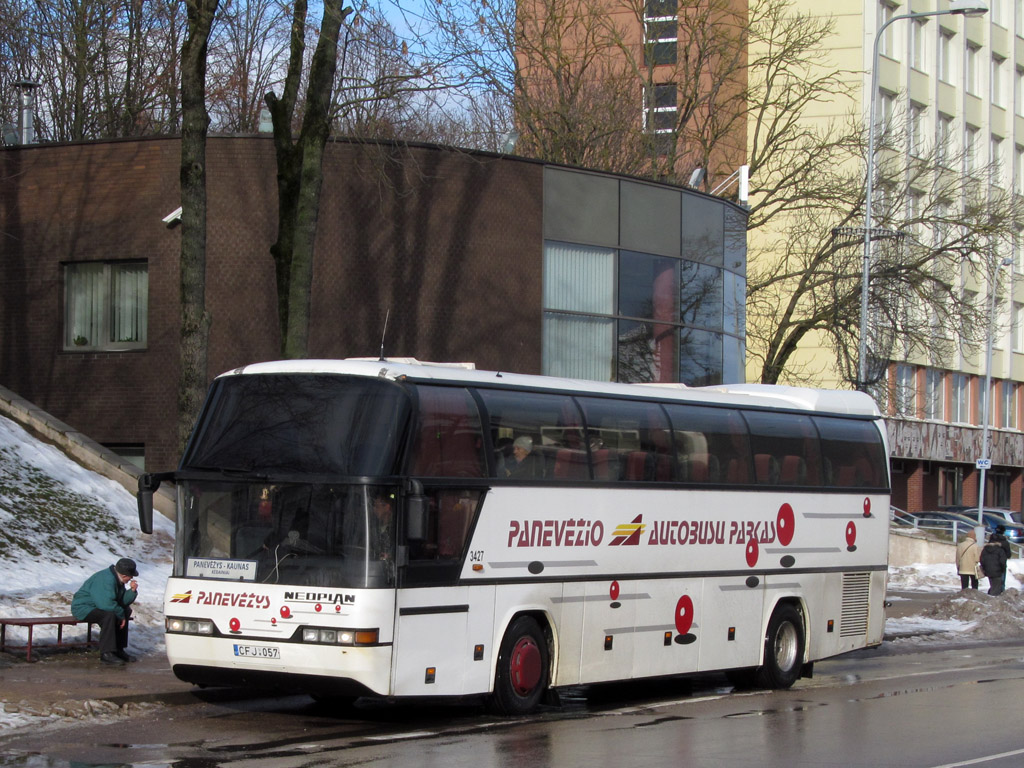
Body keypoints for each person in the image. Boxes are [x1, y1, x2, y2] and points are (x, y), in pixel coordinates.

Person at [71, 558, 139, 665]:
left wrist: (132, 591)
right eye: (131, 576)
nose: (131, 579)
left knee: (125, 611)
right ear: (125, 575)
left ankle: (118, 650)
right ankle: (106, 653)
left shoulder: (117, 580)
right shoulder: (106, 579)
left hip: (97, 606)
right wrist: (120, 616)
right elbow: (105, 604)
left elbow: (121, 602)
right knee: (109, 616)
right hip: (83, 608)